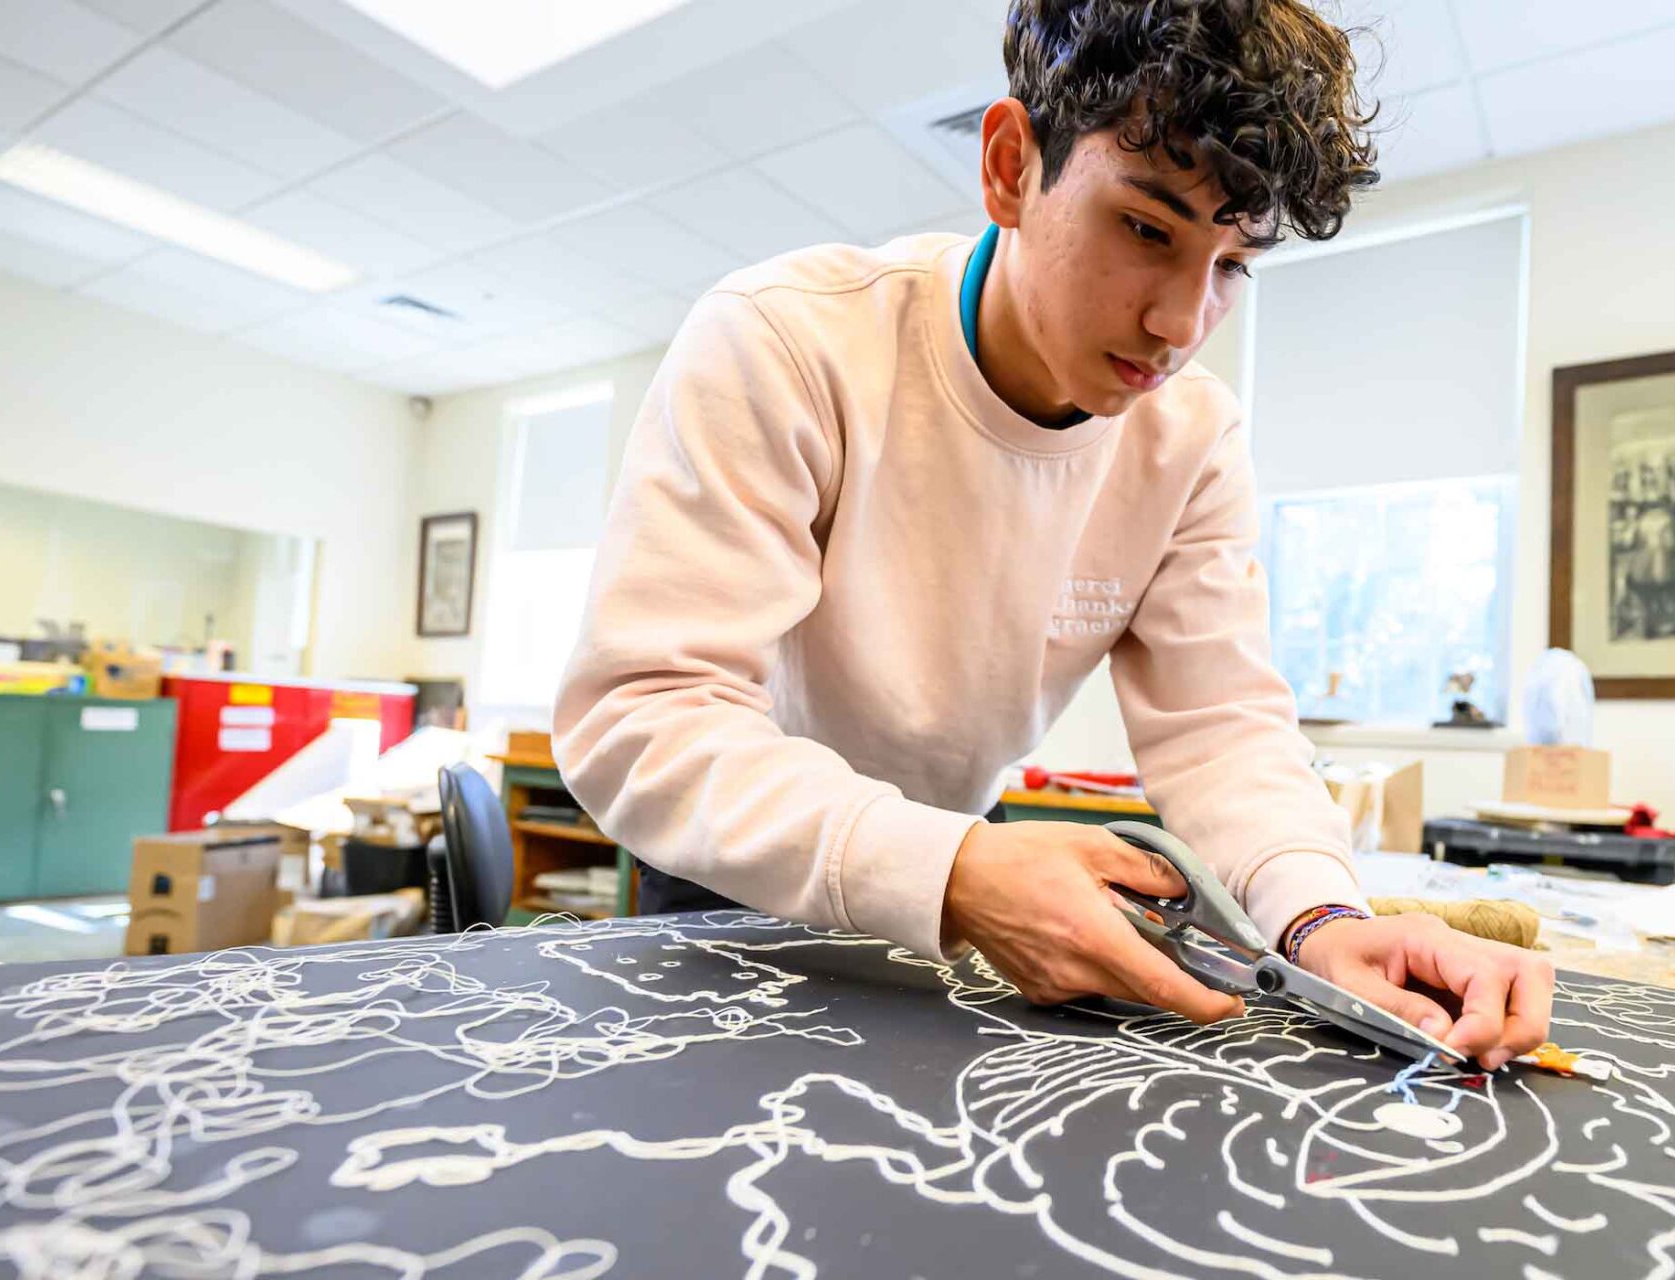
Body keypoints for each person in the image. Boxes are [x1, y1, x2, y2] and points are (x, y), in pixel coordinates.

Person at [553, 0, 1553, 1069]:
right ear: (1008, 166)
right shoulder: (784, 342)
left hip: (953, 869)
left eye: (1229, 265)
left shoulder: (1192, 437)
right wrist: (956, 869)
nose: (1181, 324)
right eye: (1147, 229)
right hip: (733, 878)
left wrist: (1322, 924)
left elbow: (1219, 731)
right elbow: (644, 716)